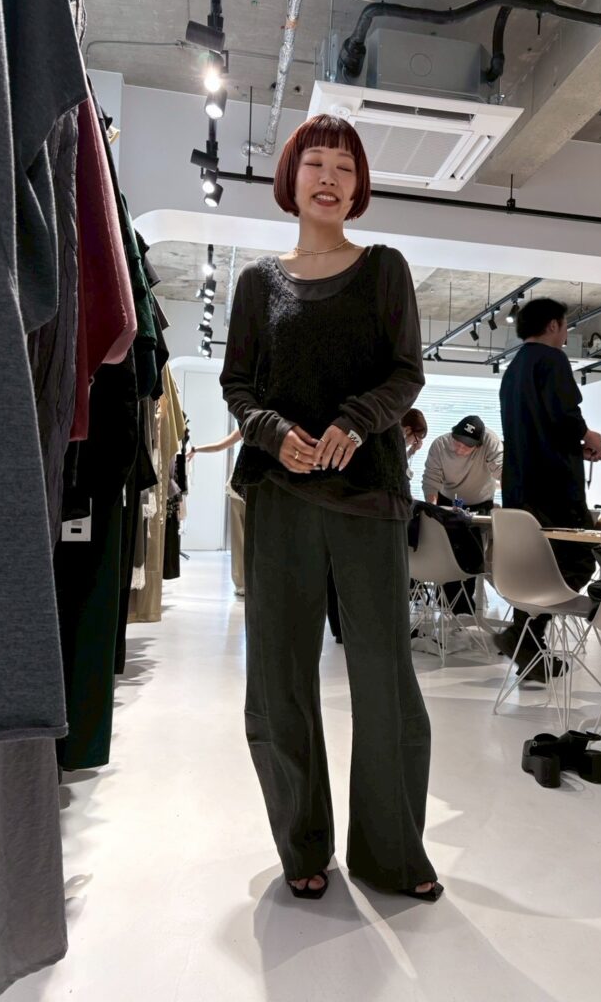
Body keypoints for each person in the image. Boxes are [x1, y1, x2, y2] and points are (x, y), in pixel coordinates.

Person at [220, 114, 441, 902]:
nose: (329, 178)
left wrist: (354, 422)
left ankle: (392, 854)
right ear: (292, 178)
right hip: (279, 496)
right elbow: (237, 385)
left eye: (345, 168)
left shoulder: (384, 269)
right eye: (316, 163)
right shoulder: (257, 283)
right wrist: (274, 434)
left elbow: (406, 373)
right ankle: (302, 845)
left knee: (386, 679)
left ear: (358, 187)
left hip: (369, 494)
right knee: (279, 677)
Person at [495, 298, 601, 680]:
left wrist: (577, 449)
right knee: (577, 561)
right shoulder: (552, 360)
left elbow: (538, 427)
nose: (565, 334)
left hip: (521, 486)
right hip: (555, 487)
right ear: (552, 326)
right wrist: (588, 436)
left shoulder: (513, 370)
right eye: (564, 326)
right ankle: (522, 634)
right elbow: (564, 414)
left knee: (534, 566)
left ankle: (527, 644)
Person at [327, 408, 428, 643]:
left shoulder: (377, 436)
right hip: (365, 511)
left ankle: (342, 629)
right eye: (416, 438)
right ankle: (349, 628)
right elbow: (396, 474)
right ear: (407, 430)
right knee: (351, 573)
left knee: (340, 571)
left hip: (347, 507)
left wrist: (410, 451)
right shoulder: (384, 439)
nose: (416, 443)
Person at [422, 415, 502, 614]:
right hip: (448, 499)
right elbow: (431, 479)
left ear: (478, 445)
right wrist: (432, 510)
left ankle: (463, 604)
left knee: (472, 551)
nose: (459, 449)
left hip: (481, 501)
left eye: (466, 447)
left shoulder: (490, 442)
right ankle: (445, 600)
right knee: (446, 549)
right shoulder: (440, 445)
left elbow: (503, 470)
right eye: (457, 442)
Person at [187, 428, 245, 595]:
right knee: (244, 539)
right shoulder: (252, 425)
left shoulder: (250, 424)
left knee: (241, 539)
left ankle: (243, 583)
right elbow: (220, 446)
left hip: (244, 487)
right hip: (244, 487)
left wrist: (196, 449)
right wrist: (196, 449)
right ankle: (244, 583)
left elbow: (220, 446)